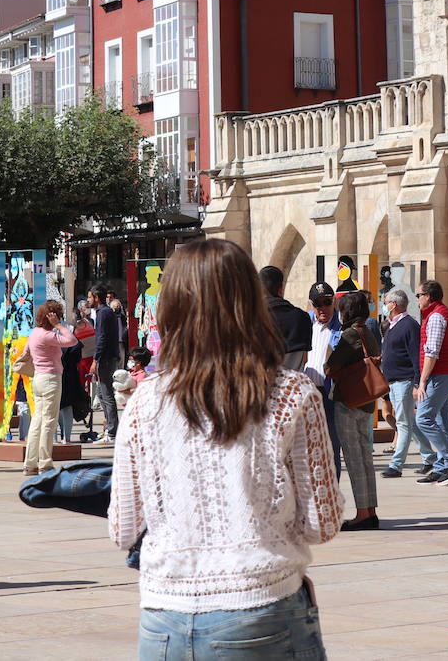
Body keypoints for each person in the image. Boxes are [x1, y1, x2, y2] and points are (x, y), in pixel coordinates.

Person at [109, 238, 340, 657]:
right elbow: (320, 524)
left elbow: (123, 528)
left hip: (164, 614)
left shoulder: (145, 400)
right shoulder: (291, 393)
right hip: (261, 606)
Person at [326, 292, 382, 531]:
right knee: (365, 459)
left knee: (354, 459)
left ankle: (361, 514)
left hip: (348, 402)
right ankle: (370, 510)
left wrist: (329, 359)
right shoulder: (368, 331)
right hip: (366, 401)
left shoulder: (350, 334)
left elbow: (331, 367)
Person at [413, 280, 448, 485]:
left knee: (423, 418)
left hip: (439, 375)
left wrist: (423, 381)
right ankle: (443, 465)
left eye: (419, 295)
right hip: (445, 373)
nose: (417, 299)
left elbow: (432, 352)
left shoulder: (436, 317)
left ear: (429, 296)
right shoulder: (438, 314)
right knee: (442, 420)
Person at [379, 289, 433, 479]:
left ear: (393, 304)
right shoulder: (392, 325)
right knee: (409, 422)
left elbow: (415, 355)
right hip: (393, 382)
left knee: (403, 424)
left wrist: (418, 383)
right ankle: (430, 458)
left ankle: (396, 464)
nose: (384, 305)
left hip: (404, 381)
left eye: (386, 302)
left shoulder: (409, 325)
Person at [22, 301, 78, 476]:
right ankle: (45, 463)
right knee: (49, 421)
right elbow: (72, 340)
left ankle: (30, 463)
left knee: (37, 421)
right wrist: (59, 325)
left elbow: (26, 353)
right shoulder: (47, 335)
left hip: (38, 378)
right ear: (52, 317)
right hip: (51, 379)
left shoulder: (34, 333)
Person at [306, 280, 342, 474]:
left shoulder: (341, 327)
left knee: (331, 449)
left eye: (327, 302)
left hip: (329, 396)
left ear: (333, 302)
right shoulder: (304, 323)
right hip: (306, 396)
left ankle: (332, 496)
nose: (322, 308)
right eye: (317, 303)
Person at [260, 266, 313, 371]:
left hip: (262, 384)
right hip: (293, 384)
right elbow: (305, 358)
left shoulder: (252, 319)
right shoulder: (302, 318)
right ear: (281, 289)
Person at [89, 285, 122, 442]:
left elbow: (101, 338)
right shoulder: (105, 312)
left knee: (106, 394)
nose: (88, 300)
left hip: (105, 358)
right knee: (101, 394)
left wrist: (96, 360)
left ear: (96, 298)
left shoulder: (103, 313)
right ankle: (110, 426)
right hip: (108, 357)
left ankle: (113, 432)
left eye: (90, 297)